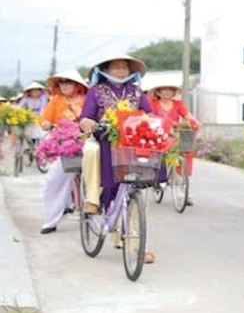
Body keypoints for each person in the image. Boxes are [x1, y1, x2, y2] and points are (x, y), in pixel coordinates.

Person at [78, 54, 157, 264]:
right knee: (90, 150)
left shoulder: (136, 92)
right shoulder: (96, 91)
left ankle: (135, 245)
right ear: (105, 70)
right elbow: (86, 116)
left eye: (125, 67)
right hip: (102, 138)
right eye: (116, 67)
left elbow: (150, 114)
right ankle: (92, 199)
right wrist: (87, 122)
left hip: (129, 142)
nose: (121, 71)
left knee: (137, 189)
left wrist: (155, 123)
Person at [37, 70, 89, 233]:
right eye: (61, 82)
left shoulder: (88, 99)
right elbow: (45, 118)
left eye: (69, 82)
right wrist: (46, 123)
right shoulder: (56, 101)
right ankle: (51, 220)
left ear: (77, 85)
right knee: (54, 179)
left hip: (88, 141)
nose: (65, 85)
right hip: (64, 145)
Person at [146, 78, 200, 206]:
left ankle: (183, 187)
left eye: (170, 90)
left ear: (174, 92)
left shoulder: (178, 104)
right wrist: (167, 124)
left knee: (185, 152)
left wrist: (194, 122)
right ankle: (159, 179)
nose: (167, 92)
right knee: (159, 154)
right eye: (164, 89)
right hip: (159, 134)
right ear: (158, 92)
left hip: (175, 135)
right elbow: (149, 117)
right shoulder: (153, 104)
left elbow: (188, 116)